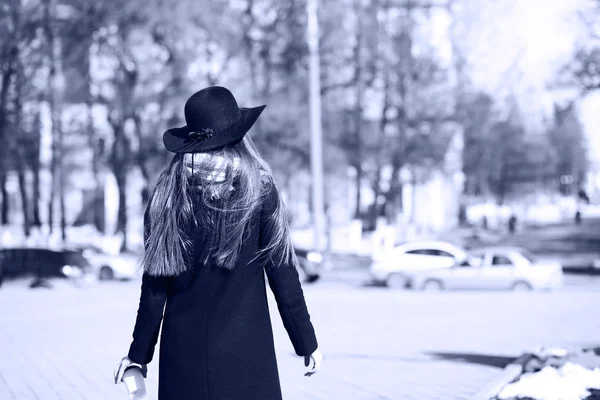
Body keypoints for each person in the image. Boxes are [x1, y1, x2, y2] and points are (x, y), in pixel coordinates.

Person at [113, 86, 322, 400]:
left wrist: (138, 357)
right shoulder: (258, 189)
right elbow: (282, 271)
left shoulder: (166, 196)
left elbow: (155, 290)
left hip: (183, 364)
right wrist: (306, 341)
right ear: (239, 138)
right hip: (248, 364)